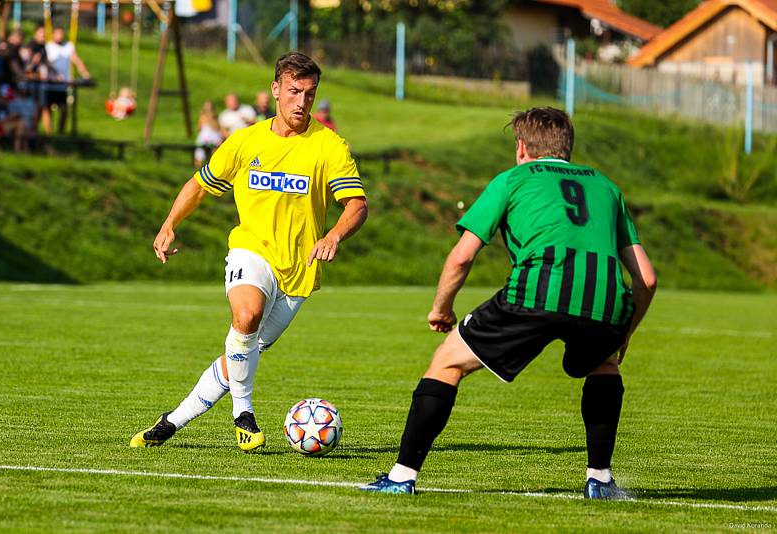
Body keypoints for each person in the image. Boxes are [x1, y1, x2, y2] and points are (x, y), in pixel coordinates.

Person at [361, 107, 657, 498]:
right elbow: (647, 279)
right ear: (567, 147)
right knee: (604, 364)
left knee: (447, 363)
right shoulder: (606, 187)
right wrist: (624, 333)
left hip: (537, 289)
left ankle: (401, 476)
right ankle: (600, 481)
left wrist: (441, 309)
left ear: (521, 147)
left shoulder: (512, 180)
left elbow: (462, 257)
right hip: (604, 301)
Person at [130, 52, 368, 452]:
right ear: (275, 89)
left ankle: (171, 422)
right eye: (294, 91)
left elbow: (357, 205)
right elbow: (200, 184)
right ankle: (244, 414)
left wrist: (334, 236)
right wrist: (169, 224)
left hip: (298, 272)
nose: (301, 102)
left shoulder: (329, 146)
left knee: (240, 355)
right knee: (246, 316)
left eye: (310, 94)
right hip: (250, 250)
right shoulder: (245, 141)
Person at [42, 27, 90, 134]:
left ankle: (60, 132)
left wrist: (85, 73)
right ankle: (48, 133)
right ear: (53, 34)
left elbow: (76, 60)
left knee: (64, 109)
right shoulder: (48, 46)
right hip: (50, 83)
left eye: (61, 34)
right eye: (57, 34)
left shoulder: (68, 47)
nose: (60, 36)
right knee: (47, 108)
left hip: (63, 84)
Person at [193, 100, 223, 167]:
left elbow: (217, 128)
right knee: (199, 152)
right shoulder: (202, 117)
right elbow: (199, 128)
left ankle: (213, 166)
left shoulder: (215, 118)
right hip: (204, 138)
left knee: (214, 152)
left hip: (214, 138)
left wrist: (210, 120)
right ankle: (197, 166)